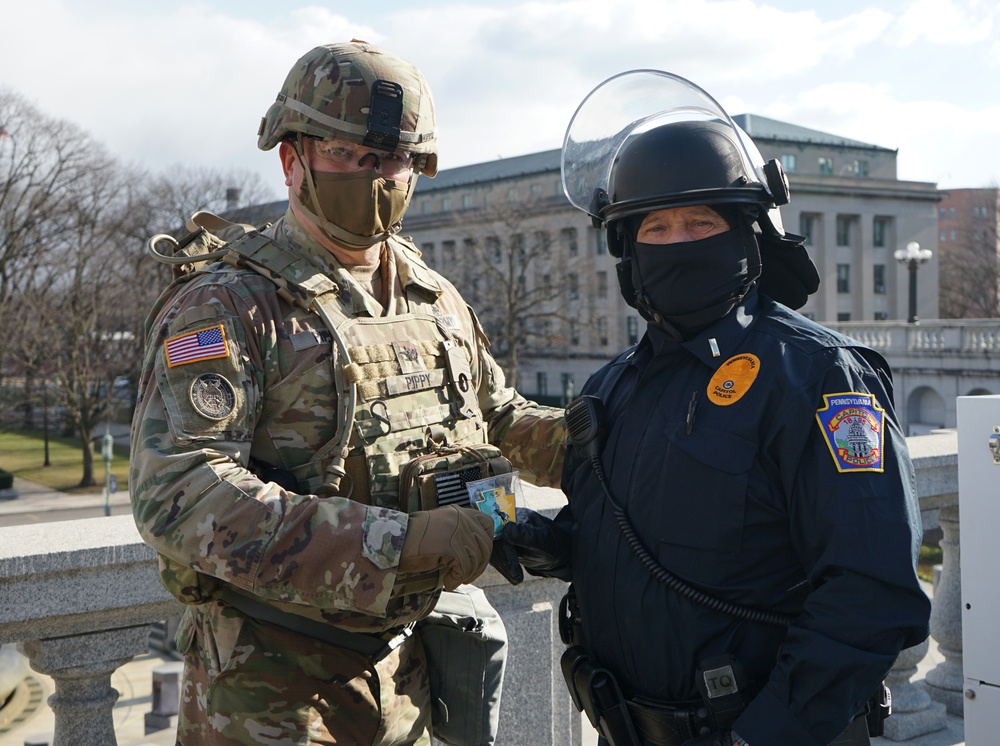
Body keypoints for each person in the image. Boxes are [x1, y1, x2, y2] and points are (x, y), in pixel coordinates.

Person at [130, 40, 564, 746]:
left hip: (412, 677)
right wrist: (397, 542)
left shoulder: (432, 296)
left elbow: (497, 417)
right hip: (271, 697)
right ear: (291, 158)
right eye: (347, 153)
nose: (376, 175)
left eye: (394, 158)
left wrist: (595, 444)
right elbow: (181, 492)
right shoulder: (228, 303)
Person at [503, 70, 931, 746]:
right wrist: (559, 547)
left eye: (700, 222)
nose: (678, 243)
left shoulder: (817, 376)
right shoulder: (611, 389)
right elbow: (651, 543)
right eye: (656, 227)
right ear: (626, 250)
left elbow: (871, 592)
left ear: (746, 235)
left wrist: (764, 736)